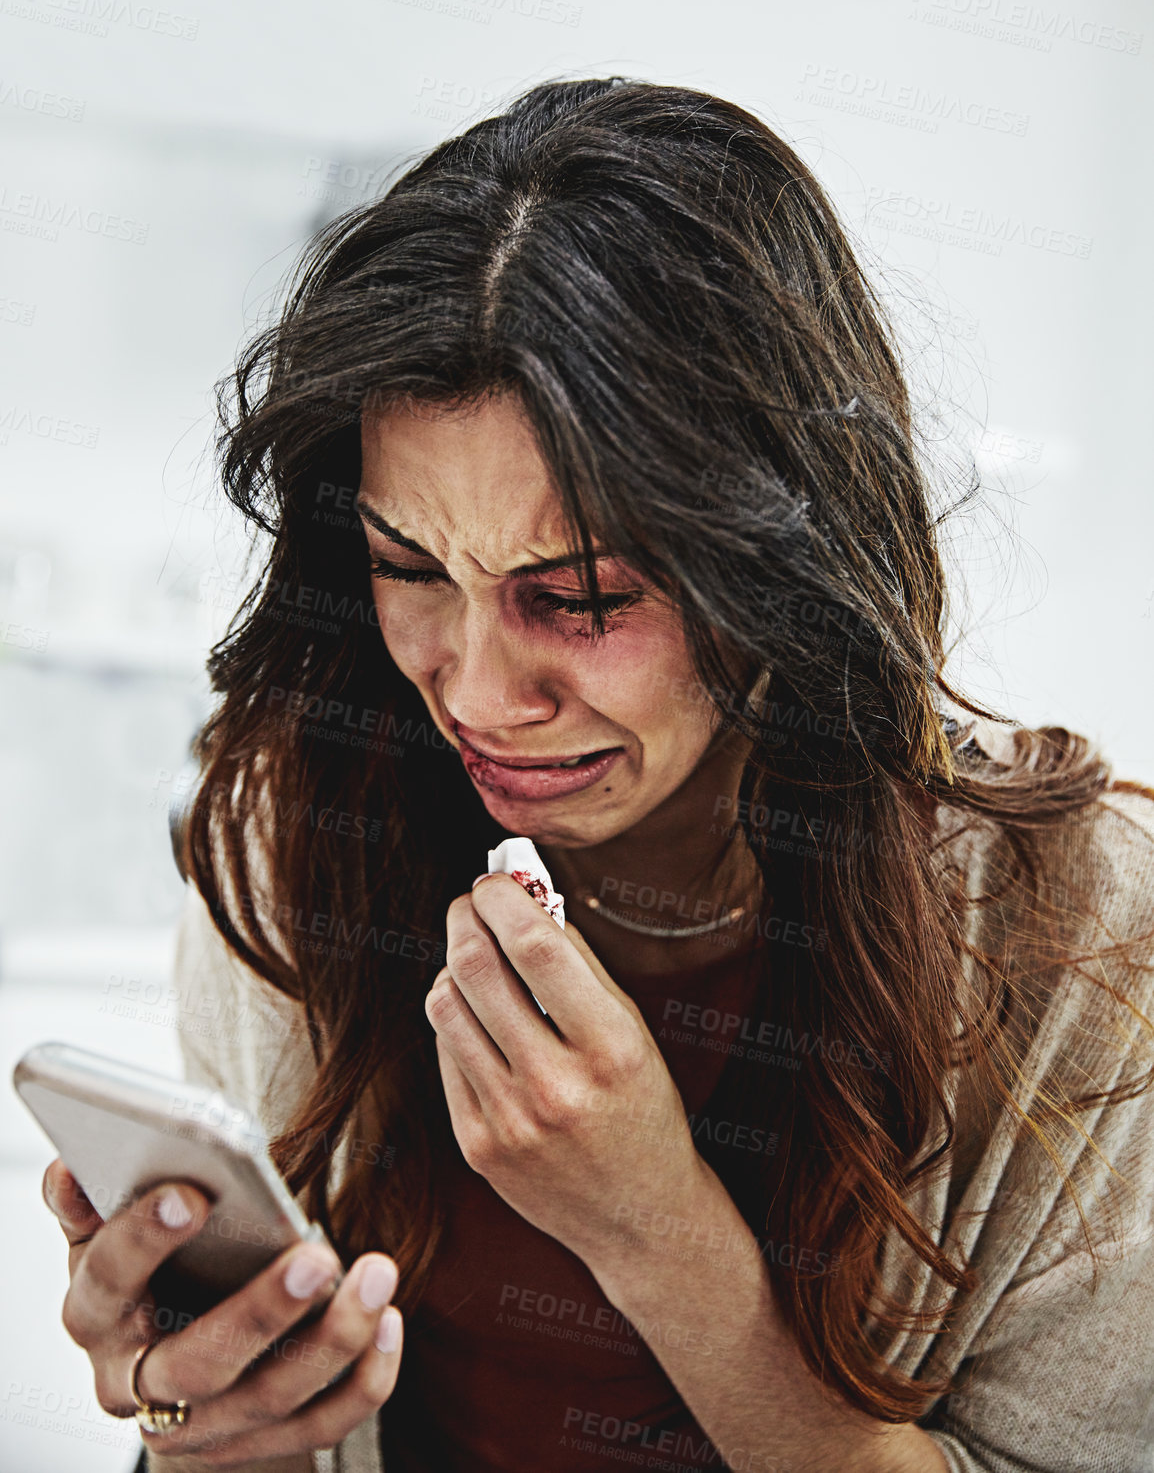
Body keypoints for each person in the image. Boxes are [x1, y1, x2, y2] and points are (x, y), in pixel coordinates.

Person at [43, 78, 1154, 1473]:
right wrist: (212, 1435)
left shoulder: (1094, 942)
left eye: (572, 595)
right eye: (407, 566)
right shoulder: (298, 838)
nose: (473, 688)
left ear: (782, 565)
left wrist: (653, 1234)